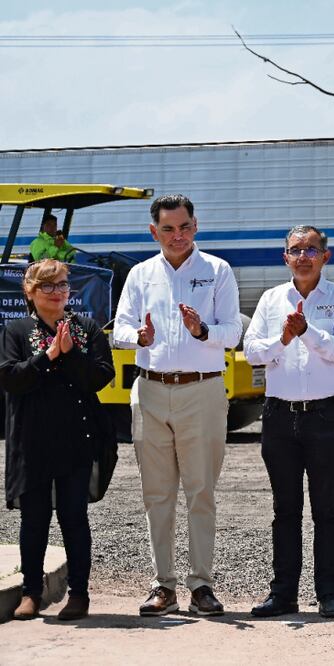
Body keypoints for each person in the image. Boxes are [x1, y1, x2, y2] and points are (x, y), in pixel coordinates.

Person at [112, 194, 242, 617]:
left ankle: (201, 584)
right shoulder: (140, 274)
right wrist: (141, 339)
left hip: (202, 391)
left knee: (201, 492)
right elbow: (120, 331)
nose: (177, 236)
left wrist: (202, 330)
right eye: (168, 229)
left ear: (195, 226)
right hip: (150, 391)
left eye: (184, 227)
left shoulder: (216, 271)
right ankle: (163, 585)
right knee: (157, 494)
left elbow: (233, 332)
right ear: (155, 232)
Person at [243, 225, 334, 619]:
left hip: (325, 415)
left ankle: (329, 593)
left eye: (311, 249)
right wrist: (284, 341)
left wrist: (308, 333)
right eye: (296, 250)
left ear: (326, 257)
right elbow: (252, 352)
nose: (304, 256)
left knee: (327, 510)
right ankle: (284, 594)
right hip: (280, 416)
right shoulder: (272, 299)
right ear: (285, 257)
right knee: (284, 510)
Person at [1, 259, 115, 620]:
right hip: (32, 441)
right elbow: (10, 378)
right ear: (30, 293)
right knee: (34, 519)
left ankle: (79, 594)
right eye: (48, 287)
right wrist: (48, 355)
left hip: (76, 439)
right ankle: (31, 592)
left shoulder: (86, 328)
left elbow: (100, 376)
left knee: (73, 516)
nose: (57, 293)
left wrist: (70, 355)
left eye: (63, 285)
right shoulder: (16, 331)